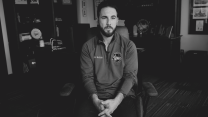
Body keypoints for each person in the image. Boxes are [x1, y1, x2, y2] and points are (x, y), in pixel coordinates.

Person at [78, 1, 138, 117]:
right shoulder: (87, 47)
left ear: (117, 20)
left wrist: (115, 102)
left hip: (123, 96)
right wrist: (96, 101)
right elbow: (87, 77)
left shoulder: (129, 46)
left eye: (113, 17)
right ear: (98, 20)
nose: (109, 22)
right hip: (96, 95)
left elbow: (130, 76)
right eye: (104, 17)